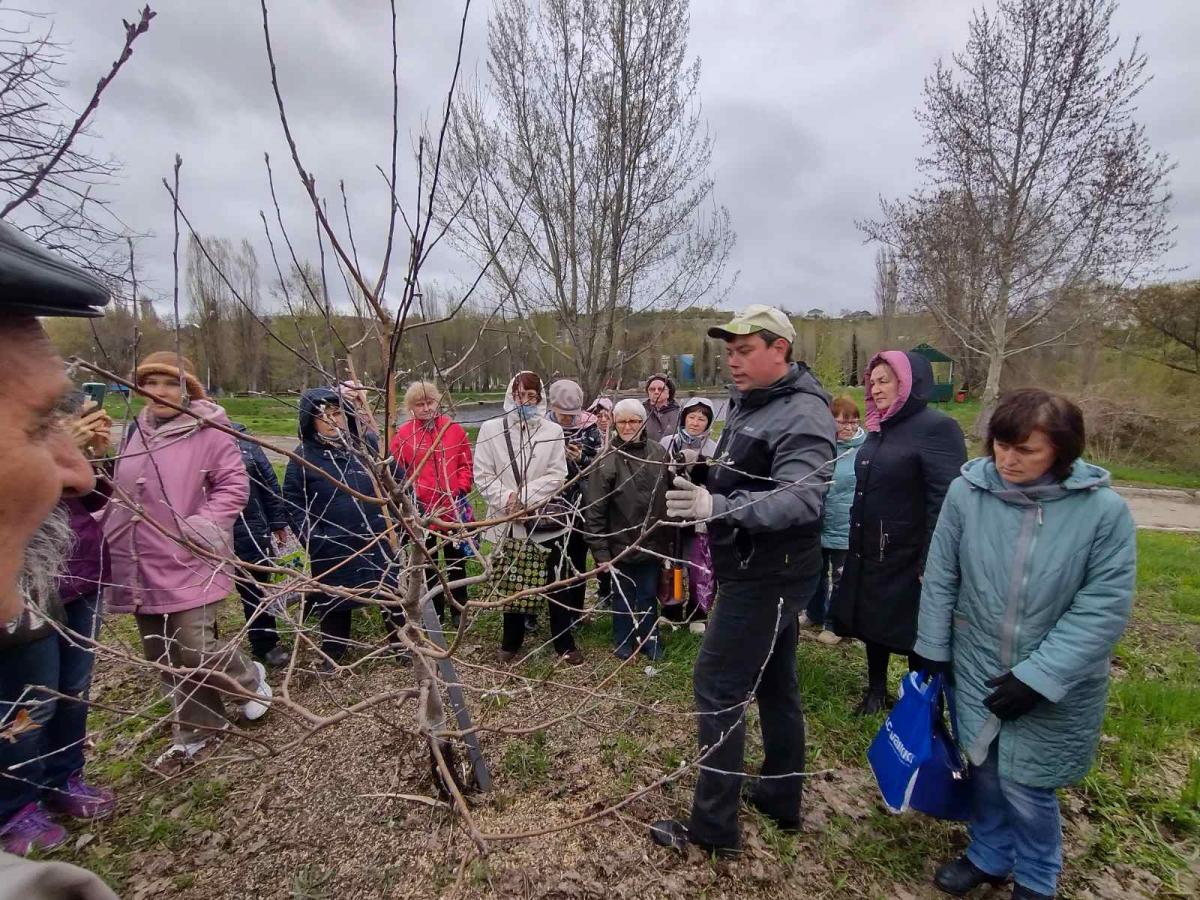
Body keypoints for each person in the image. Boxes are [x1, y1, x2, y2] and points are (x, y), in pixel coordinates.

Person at [914, 389, 1136, 900]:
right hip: (977, 659)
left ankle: (1037, 877)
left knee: (1028, 785)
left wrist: (1038, 678)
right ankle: (989, 854)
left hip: (1054, 675)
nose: (1008, 459)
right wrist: (931, 645)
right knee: (984, 767)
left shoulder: (1104, 512)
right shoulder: (967, 493)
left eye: (1026, 450)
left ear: (1062, 450)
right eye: (1000, 445)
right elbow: (943, 572)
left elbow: (1102, 606)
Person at [649, 304, 835, 857]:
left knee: (718, 687)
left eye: (745, 350)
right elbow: (757, 474)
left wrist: (715, 504)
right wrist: (707, 478)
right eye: (728, 351)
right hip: (764, 571)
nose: (733, 361)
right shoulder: (757, 404)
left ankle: (712, 831)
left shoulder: (801, 413)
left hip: (766, 577)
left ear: (780, 348)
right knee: (777, 685)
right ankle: (780, 797)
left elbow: (801, 497)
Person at [0, 221, 120, 895]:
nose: (73, 475)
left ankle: (59, 776)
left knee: (63, 691)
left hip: (79, 588)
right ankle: (16, 801)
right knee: (21, 702)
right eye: (40, 423)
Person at [104, 352, 272, 774]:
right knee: (164, 653)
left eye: (169, 383)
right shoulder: (135, 431)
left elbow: (234, 485)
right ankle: (198, 730)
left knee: (195, 646)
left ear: (186, 389)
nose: (159, 392)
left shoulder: (210, 431)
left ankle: (250, 680)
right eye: (151, 383)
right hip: (140, 558)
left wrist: (203, 527)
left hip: (188, 555)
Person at [1, 396, 115, 855]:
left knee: (73, 689)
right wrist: (50, 454)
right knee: (32, 700)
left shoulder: (49, 424)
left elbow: (95, 497)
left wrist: (90, 457)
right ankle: (14, 806)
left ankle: (63, 776)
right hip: (25, 580)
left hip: (81, 570)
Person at [829, 350, 966, 714]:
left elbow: (947, 499)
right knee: (875, 621)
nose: (874, 389)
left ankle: (919, 702)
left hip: (911, 552)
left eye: (884, 380)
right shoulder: (878, 429)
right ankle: (876, 691)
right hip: (870, 546)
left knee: (914, 629)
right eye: (871, 382)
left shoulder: (937, 428)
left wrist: (932, 559)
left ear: (909, 382)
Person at [283, 387, 402, 671]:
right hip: (333, 542)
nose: (332, 420)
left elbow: (397, 482)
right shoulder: (304, 457)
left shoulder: (366, 444)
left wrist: (397, 523)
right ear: (310, 421)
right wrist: (315, 537)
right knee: (334, 599)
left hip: (377, 535)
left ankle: (402, 645)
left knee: (391, 592)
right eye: (323, 416)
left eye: (337, 413)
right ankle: (334, 650)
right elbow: (293, 502)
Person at [472, 372, 574, 664]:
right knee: (512, 580)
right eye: (520, 395)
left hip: (542, 519)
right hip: (507, 520)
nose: (525, 402)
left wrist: (526, 498)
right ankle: (511, 640)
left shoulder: (551, 431)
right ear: (510, 395)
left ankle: (563, 641)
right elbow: (483, 474)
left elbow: (557, 474)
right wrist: (508, 500)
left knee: (556, 579)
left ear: (539, 399)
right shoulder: (491, 429)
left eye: (532, 396)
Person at [584, 399, 670, 660]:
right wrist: (601, 553)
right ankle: (623, 639)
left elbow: (668, 497)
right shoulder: (607, 459)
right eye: (622, 421)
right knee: (622, 596)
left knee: (647, 595)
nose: (628, 426)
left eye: (633, 420)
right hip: (620, 544)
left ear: (643, 422)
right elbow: (595, 510)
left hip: (652, 542)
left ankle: (649, 639)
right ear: (614, 423)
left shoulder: (658, 453)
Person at [390, 381, 474, 627]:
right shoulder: (403, 436)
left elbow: (465, 464)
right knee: (427, 564)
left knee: (456, 561)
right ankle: (433, 611)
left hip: (451, 507)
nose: (426, 408)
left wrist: (459, 488)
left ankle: (459, 608)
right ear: (411, 408)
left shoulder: (453, 429)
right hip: (420, 510)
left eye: (430, 402)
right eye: (420, 404)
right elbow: (397, 473)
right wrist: (410, 501)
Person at [801, 396, 865, 645]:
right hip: (818, 522)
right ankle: (814, 612)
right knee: (814, 572)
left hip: (845, 524)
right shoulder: (821, 448)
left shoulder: (864, 448)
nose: (849, 428)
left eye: (853, 422)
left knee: (840, 577)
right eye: (843, 423)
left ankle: (835, 624)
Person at [545, 379, 602, 646]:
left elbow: (599, 464)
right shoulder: (543, 427)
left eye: (572, 415)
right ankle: (550, 612)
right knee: (552, 561)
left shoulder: (589, 427)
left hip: (581, 503)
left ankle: (576, 611)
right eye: (563, 415)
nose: (568, 420)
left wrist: (580, 459)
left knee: (577, 559)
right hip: (550, 505)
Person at [231, 422, 291, 667]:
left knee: (256, 588)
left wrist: (278, 522)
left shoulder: (242, 439)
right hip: (200, 530)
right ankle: (205, 647)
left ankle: (265, 643)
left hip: (249, 525)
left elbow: (267, 481)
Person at [659, 397, 719, 628]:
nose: (695, 422)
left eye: (701, 418)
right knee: (673, 565)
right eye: (691, 417)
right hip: (671, 513)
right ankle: (672, 608)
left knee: (699, 566)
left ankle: (698, 612)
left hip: (699, 518)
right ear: (683, 418)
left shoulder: (714, 447)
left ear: (708, 422)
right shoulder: (668, 442)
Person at [641, 373, 681, 444]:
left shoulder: (680, 413)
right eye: (652, 389)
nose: (656, 392)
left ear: (669, 392)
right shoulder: (640, 412)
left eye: (661, 389)